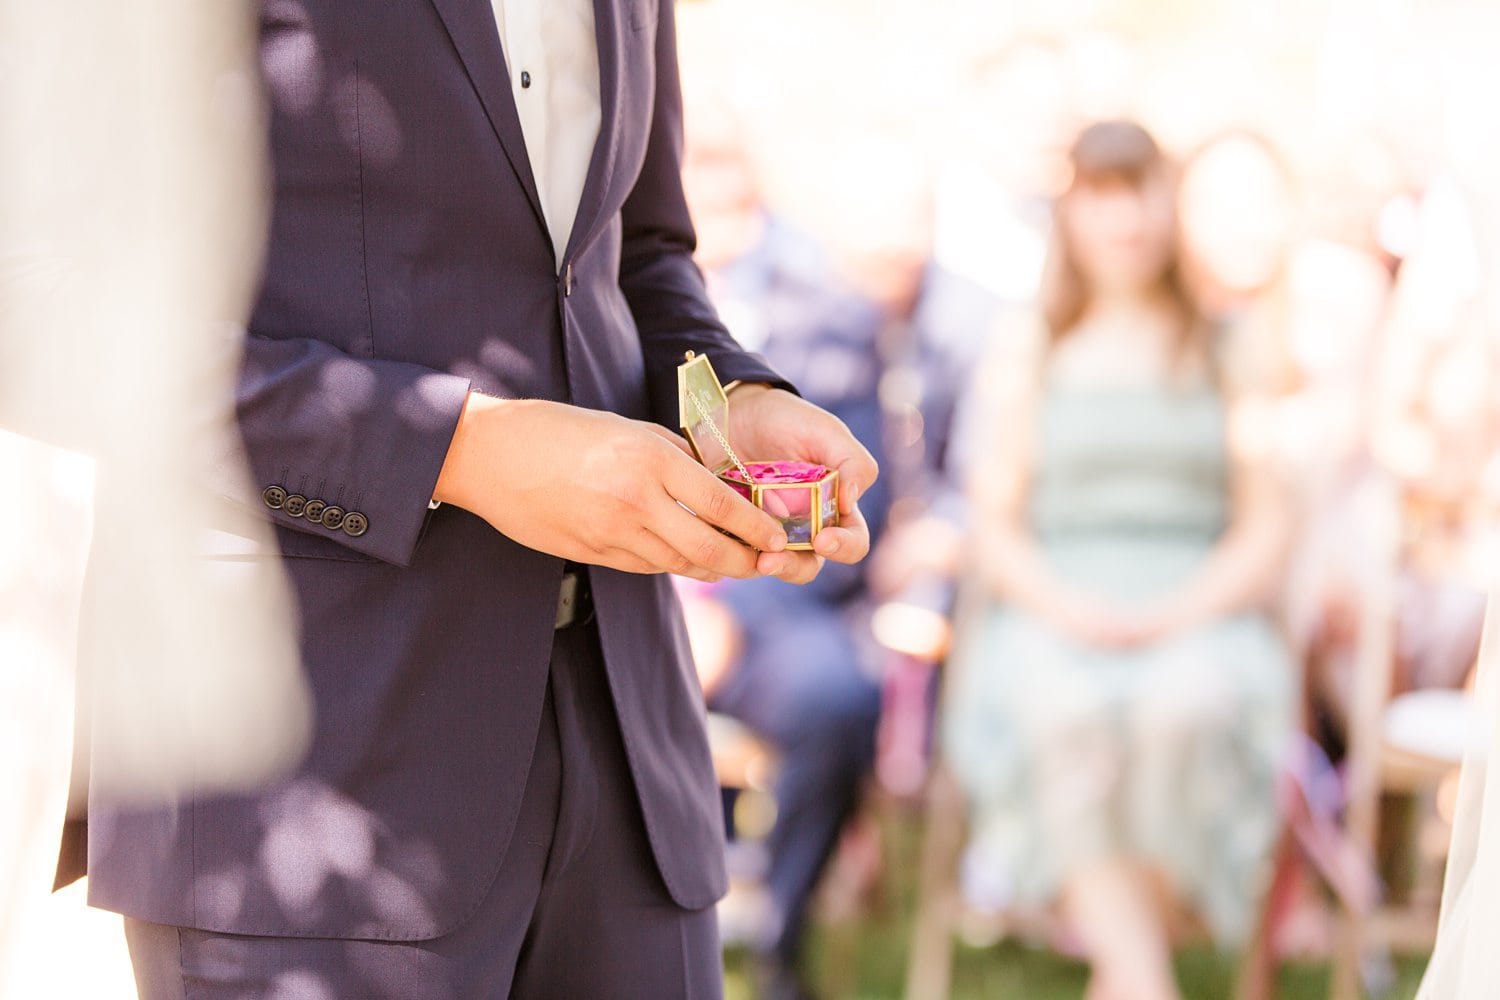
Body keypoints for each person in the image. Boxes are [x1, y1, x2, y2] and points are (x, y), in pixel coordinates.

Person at [58, 3, 877, 998]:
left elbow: (640, 256)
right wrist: (464, 450)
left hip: (630, 768)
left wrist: (730, 399)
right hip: (311, 767)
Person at [942, 120, 1295, 1000]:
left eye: (1139, 190)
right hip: (1056, 601)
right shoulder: (1033, 345)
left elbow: (1266, 525)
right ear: (1070, 215)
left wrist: (1177, 613)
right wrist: (1067, 609)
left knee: (1187, 707)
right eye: (1101, 196)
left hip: (1197, 601)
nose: (1125, 218)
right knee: (1061, 712)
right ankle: (1145, 980)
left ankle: (1127, 972)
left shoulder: (1226, 345)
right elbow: (997, 522)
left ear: (1168, 203)